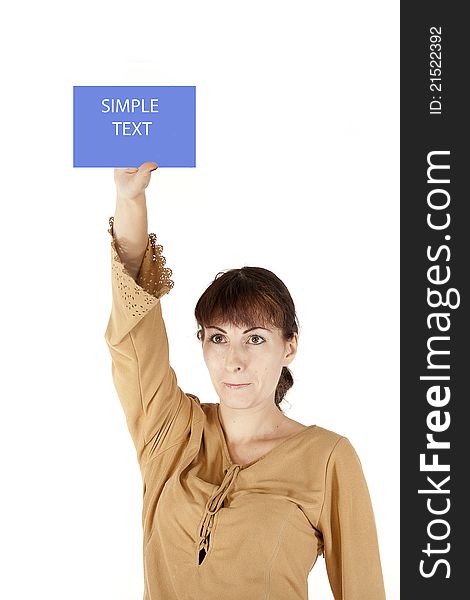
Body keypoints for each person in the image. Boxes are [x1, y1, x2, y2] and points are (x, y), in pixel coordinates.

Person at [104, 162, 386, 599]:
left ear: (289, 347)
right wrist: (130, 199)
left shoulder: (328, 458)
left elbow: (363, 590)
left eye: (254, 339)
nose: (233, 360)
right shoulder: (171, 432)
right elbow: (134, 330)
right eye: (218, 338)